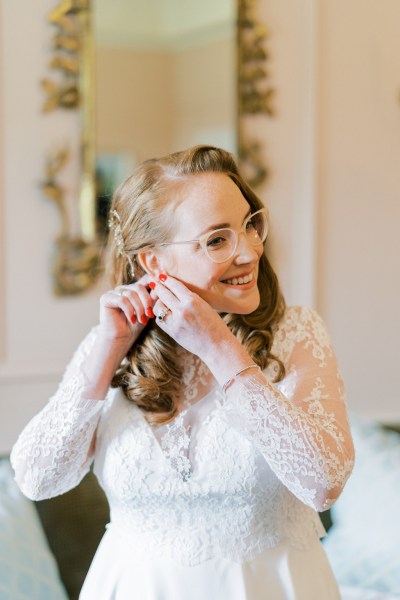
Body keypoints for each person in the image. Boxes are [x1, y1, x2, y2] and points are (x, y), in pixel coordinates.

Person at [11, 145, 354, 599]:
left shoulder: (299, 333)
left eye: (250, 225)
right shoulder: (111, 345)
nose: (250, 252)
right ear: (153, 262)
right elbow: (37, 479)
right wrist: (107, 350)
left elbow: (323, 483)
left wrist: (222, 349)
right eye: (217, 239)